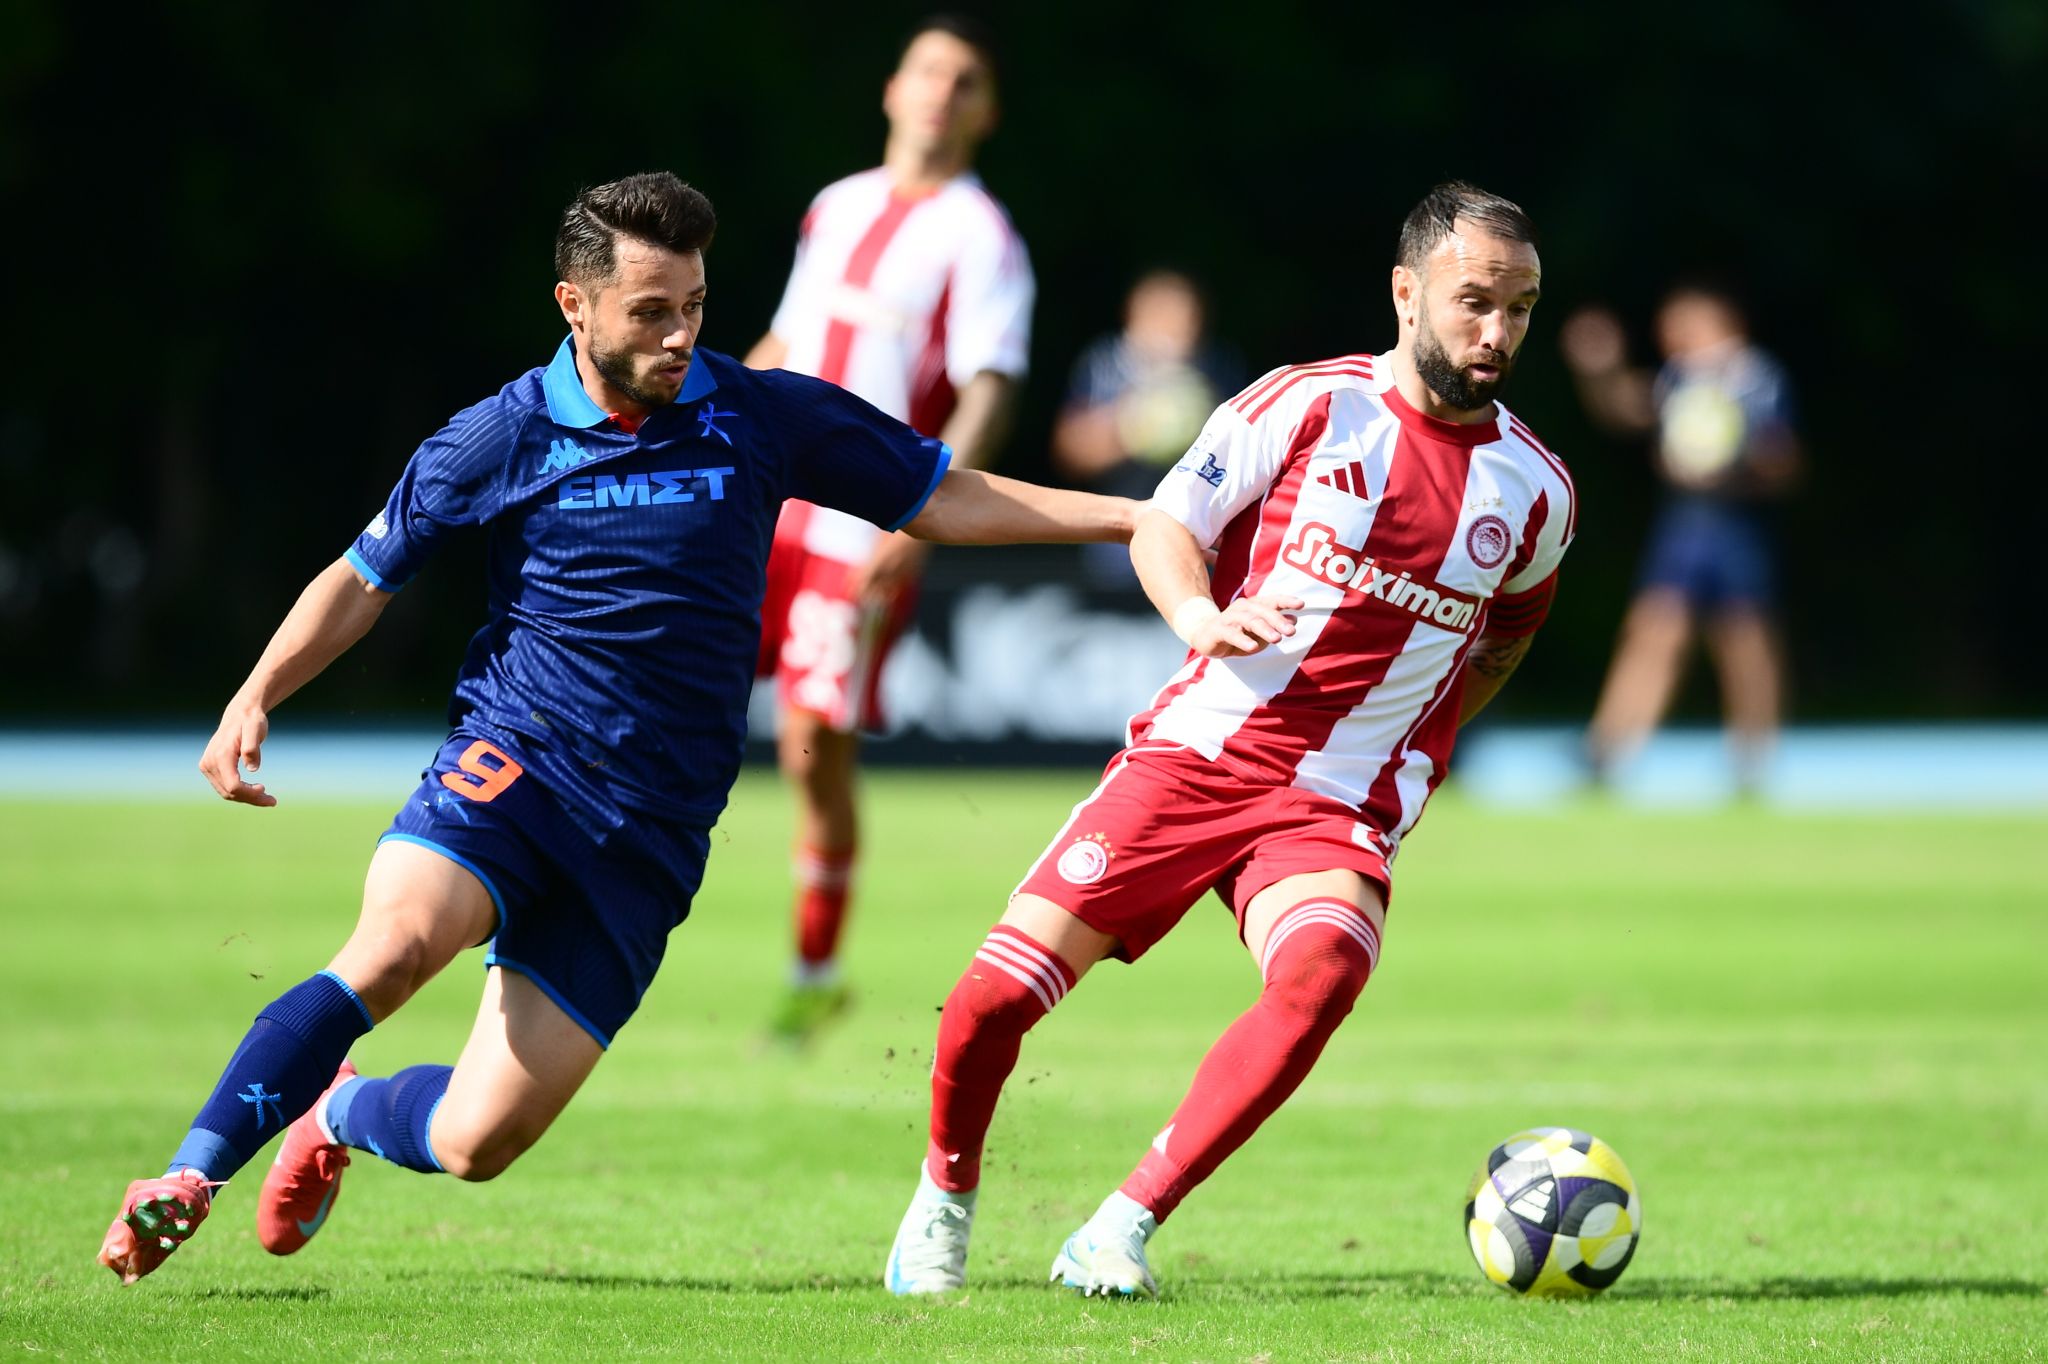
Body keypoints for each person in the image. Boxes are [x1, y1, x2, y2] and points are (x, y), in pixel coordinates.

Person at [95, 171, 1135, 1286]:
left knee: (475, 1142)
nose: (679, 333)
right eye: (649, 311)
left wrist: (1137, 516)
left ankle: (337, 1111)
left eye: (693, 305)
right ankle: (188, 1174)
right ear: (574, 305)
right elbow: (363, 576)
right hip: (515, 763)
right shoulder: (502, 434)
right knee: (392, 947)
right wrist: (255, 693)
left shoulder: (759, 414)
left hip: (650, 836)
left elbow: (944, 494)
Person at [883, 181, 1578, 1298]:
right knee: (993, 999)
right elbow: (1167, 522)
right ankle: (943, 1197)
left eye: (1520, 309)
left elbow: (1503, 639)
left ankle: (1117, 1228)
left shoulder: (1535, 491)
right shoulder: (1307, 405)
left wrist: (1410, 743)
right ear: (1406, 293)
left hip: (1337, 800)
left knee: (1323, 967)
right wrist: (1199, 614)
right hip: (1200, 754)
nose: (1496, 331)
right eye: (1473, 302)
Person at [743, 16, 1034, 1046]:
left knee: (811, 744)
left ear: (985, 112)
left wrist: (924, 513)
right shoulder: (837, 205)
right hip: (767, 499)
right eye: (927, 71)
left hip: (860, 518)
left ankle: (814, 967)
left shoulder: (981, 235)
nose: (940, 92)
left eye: (965, 80)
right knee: (669, 685)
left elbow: (989, 383)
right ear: (891, 88)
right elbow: (787, 340)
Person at [1559, 285, 1799, 794]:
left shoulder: (1756, 378)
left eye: (1682, 323)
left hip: (1737, 524)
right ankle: (1606, 750)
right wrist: (1600, 369)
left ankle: (1752, 759)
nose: (1670, 335)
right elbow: (1628, 410)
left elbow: (1784, 461)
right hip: (1686, 523)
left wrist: (1734, 465)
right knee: (1653, 630)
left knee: (1744, 639)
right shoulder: (1681, 376)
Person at [1051, 270, 1242, 585]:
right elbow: (1070, 454)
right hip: (1116, 545)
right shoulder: (1105, 365)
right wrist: (1134, 425)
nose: (1176, 335)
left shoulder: (1218, 369)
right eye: (1162, 320)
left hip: (1199, 544)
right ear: (1134, 319)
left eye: (1186, 323)